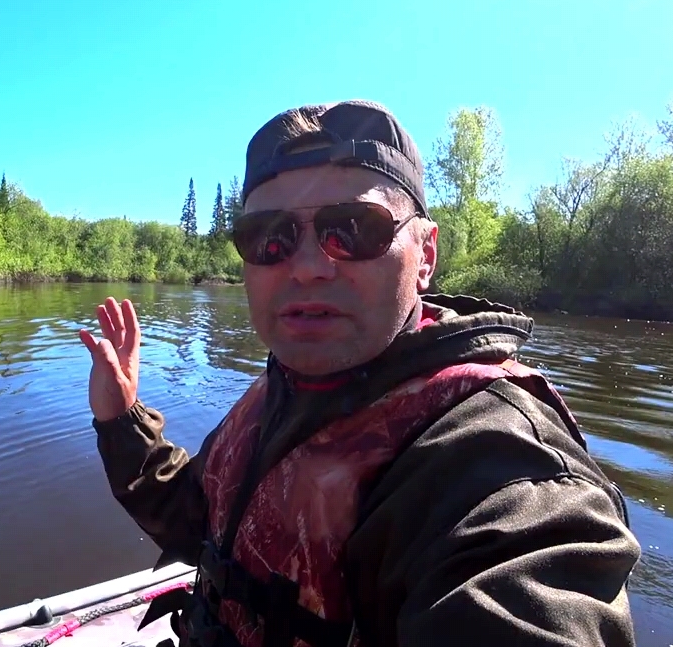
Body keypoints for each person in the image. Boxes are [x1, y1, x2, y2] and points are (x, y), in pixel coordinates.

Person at [77, 100, 640, 647]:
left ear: (424, 254)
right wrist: (122, 418)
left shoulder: (494, 459)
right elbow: (197, 524)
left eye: (353, 228)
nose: (306, 267)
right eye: (269, 237)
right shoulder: (283, 391)